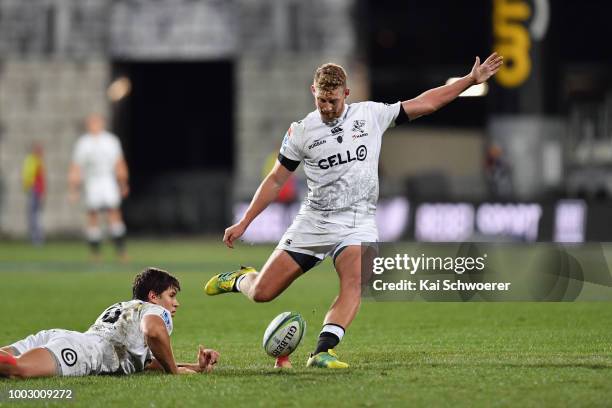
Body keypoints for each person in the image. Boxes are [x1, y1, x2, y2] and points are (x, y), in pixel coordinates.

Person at [205, 53, 504, 368]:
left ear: (346, 94)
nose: (327, 107)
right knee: (263, 293)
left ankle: (323, 351)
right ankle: (242, 279)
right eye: (321, 100)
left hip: (357, 223)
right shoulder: (301, 131)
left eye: (333, 100)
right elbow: (277, 179)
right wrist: (245, 222)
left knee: (355, 282)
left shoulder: (370, 115)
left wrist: (470, 80)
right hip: (315, 222)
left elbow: (425, 103)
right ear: (313, 92)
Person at [0, 267, 219, 378]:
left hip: (63, 338)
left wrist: (194, 367)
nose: (176, 303)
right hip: (84, 352)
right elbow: (153, 331)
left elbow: (147, 362)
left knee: (7, 360)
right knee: (17, 369)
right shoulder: (155, 311)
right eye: (171, 295)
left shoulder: (126, 307)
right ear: (153, 296)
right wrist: (174, 372)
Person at [68, 114, 130, 261]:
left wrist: (123, 183)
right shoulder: (83, 143)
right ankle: (95, 253)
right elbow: (76, 167)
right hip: (92, 181)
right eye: (92, 122)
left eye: (97, 122)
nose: (94, 125)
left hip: (108, 180)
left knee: (114, 213)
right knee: (93, 215)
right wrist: (73, 189)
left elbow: (119, 163)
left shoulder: (111, 141)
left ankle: (121, 251)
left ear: (102, 123)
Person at [22, 142, 46, 245]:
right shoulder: (34, 161)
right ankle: (36, 238)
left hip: (35, 191)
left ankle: (36, 238)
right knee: (35, 215)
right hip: (34, 191)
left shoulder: (35, 161)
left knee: (35, 215)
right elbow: (36, 179)